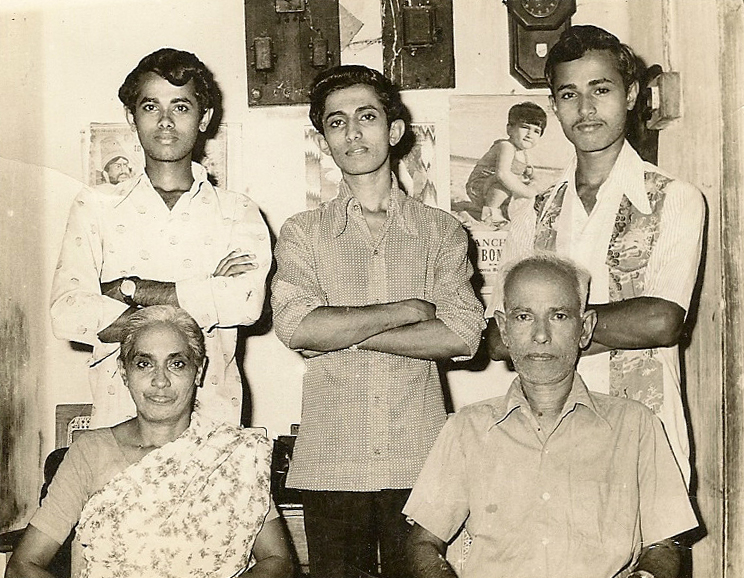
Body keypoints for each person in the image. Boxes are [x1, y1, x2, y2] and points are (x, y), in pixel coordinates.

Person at [271, 64, 485, 578]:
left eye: (366, 117)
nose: (352, 132)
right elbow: (296, 327)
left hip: (421, 460)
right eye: (336, 122)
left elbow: (463, 333)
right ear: (324, 141)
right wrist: (404, 311)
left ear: (394, 130)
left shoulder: (441, 231)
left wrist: (342, 334)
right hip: (330, 463)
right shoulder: (303, 232)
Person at [484, 25, 705, 483]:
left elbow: (662, 321)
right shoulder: (532, 212)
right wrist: (616, 324)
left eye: (601, 90)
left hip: (645, 441)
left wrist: (542, 329)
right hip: (545, 444)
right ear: (554, 105)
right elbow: (500, 339)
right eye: (569, 94)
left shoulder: (673, 197)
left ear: (631, 95)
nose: (585, 109)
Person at [405, 254, 698, 578]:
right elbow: (423, 543)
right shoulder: (468, 428)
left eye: (558, 316)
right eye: (523, 317)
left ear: (584, 328)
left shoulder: (636, 425)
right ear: (504, 329)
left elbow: (664, 545)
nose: (541, 335)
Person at [50, 48, 272, 428]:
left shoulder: (238, 211)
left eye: (181, 107)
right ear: (131, 117)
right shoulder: (95, 205)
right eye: (151, 106)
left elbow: (246, 303)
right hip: (118, 421)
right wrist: (207, 292)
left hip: (212, 425)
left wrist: (128, 289)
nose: (166, 121)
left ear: (204, 118)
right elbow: (67, 313)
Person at [5, 305, 293, 578]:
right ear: (124, 372)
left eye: (176, 364)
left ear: (199, 371)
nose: (160, 381)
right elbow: (22, 566)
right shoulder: (91, 453)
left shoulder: (231, 454)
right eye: (144, 364)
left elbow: (277, 560)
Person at [460, 101, 547, 226]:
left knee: (520, 185)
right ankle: (490, 214)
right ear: (509, 129)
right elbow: (502, 174)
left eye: (536, 131)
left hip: (495, 187)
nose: (530, 134)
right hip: (480, 186)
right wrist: (527, 192)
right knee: (505, 184)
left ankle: (504, 212)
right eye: (525, 127)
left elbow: (532, 175)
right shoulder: (506, 146)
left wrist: (534, 185)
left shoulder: (524, 154)